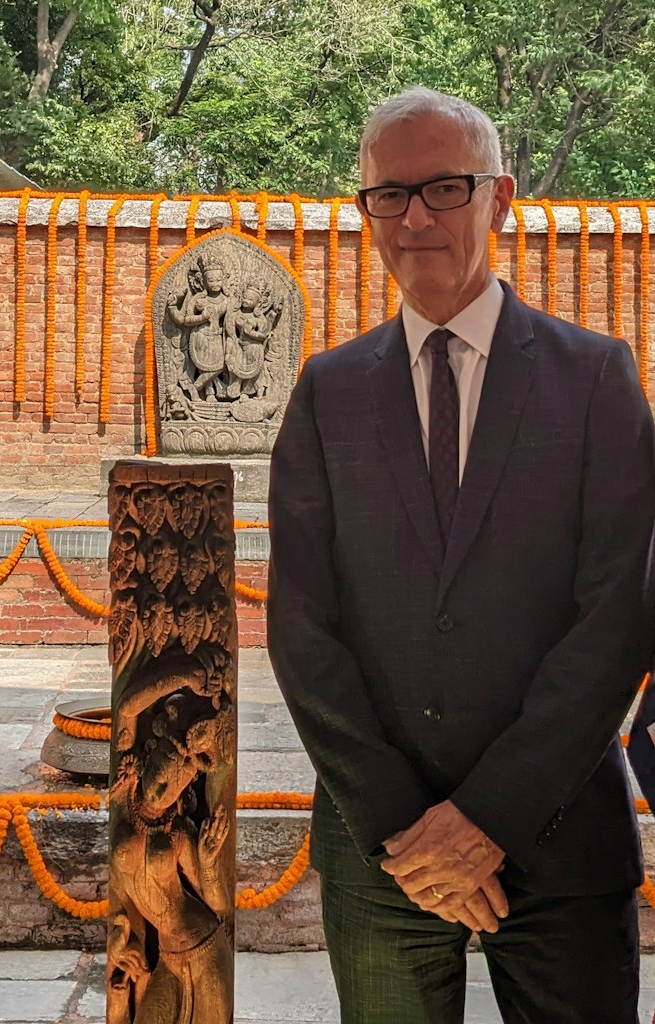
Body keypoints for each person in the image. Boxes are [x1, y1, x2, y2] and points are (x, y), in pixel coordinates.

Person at [268, 86, 655, 1023]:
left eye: (445, 188)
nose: (415, 218)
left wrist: (488, 821)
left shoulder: (596, 378)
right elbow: (303, 630)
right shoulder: (329, 392)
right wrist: (410, 830)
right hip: (382, 853)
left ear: (501, 197)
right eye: (389, 196)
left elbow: (619, 618)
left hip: (561, 836)